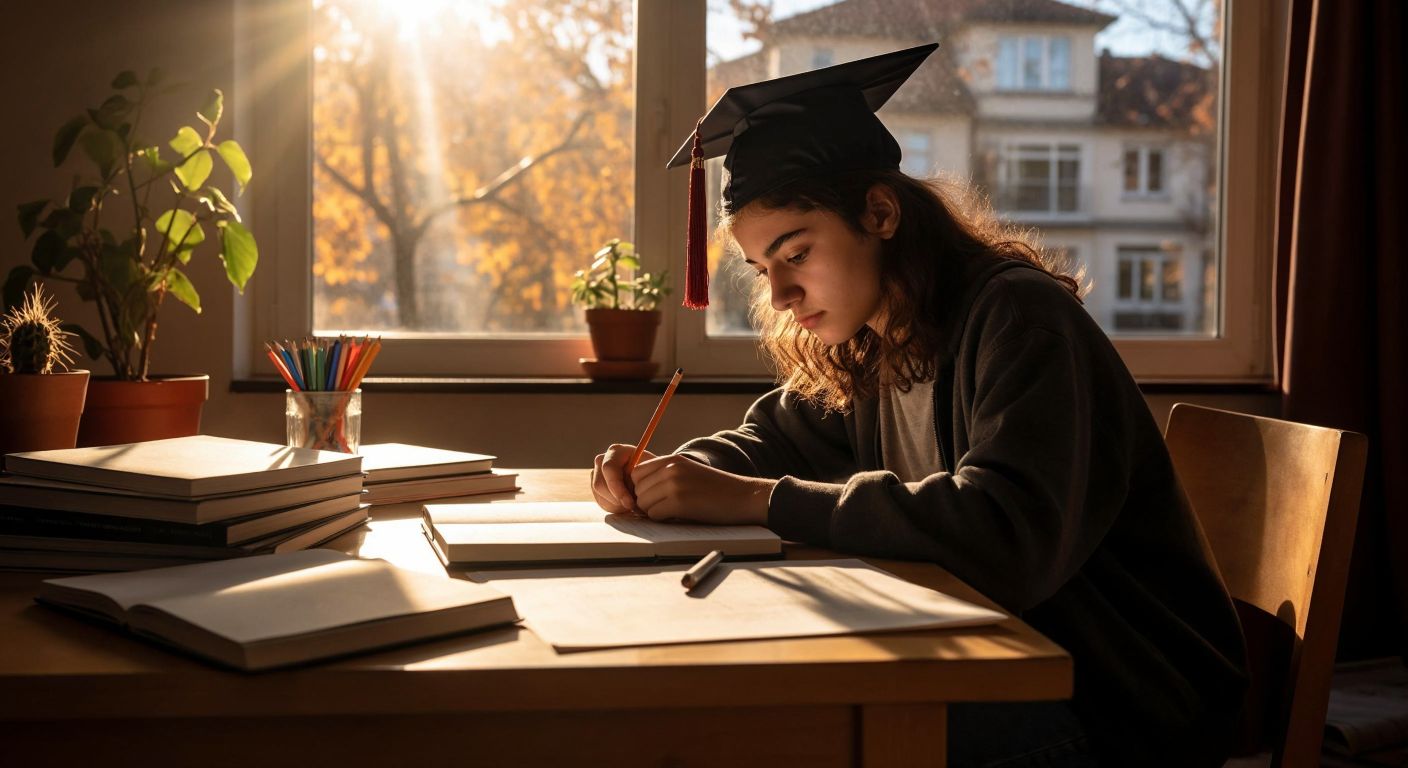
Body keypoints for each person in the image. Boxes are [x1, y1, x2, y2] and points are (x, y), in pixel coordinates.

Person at [591, 44, 1247, 767]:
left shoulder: (1020, 320)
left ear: (879, 212)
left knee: (799, 737)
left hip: (1119, 699)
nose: (777, 296)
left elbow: (1004, 536)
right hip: (991, 656)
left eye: (797, 254)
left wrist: (758, 501)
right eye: (762, 269)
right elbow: (773, 438)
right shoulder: (872, 341)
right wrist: (675, 471)